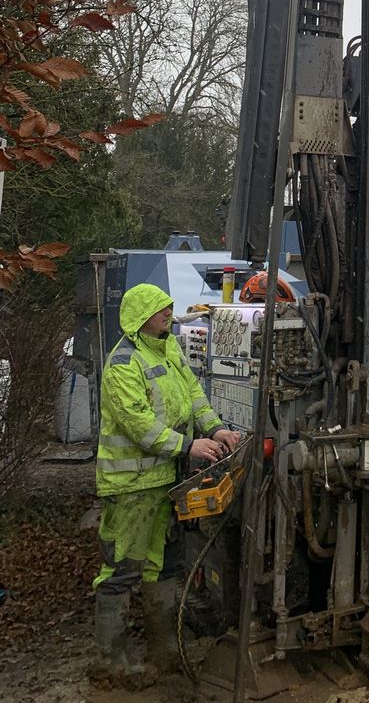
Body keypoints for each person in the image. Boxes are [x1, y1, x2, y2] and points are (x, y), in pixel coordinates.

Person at [92, 282, 240, 683]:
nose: (169, 315)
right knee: (122, 570)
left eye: (169, 307)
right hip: (132, 486)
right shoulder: (123, 363)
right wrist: (189, 445)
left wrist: (215, 428)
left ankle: (165, 653)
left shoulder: (168, 349)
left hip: (166, 481)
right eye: (161, 309)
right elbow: (139, 424)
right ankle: (110, 663)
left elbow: (193, 395)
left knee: (165, 566)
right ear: (141, 317)